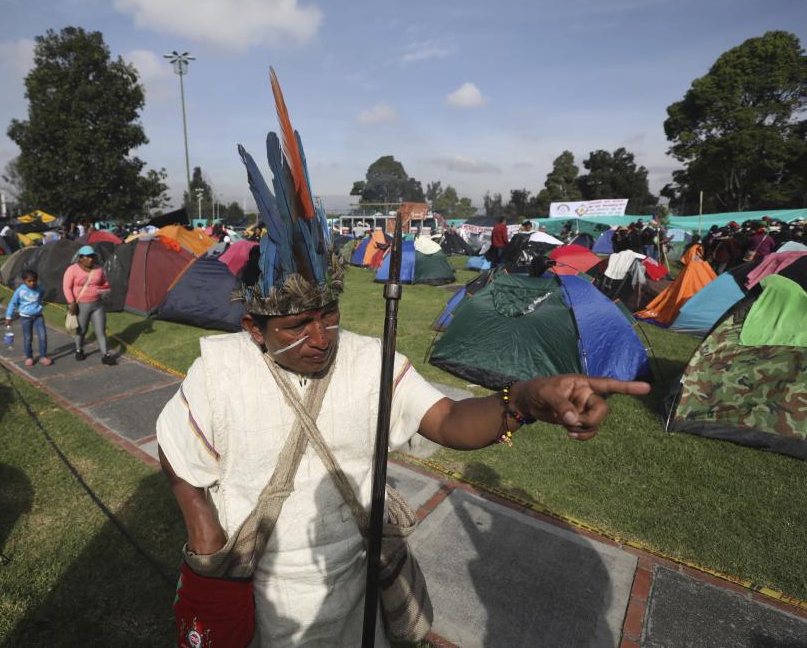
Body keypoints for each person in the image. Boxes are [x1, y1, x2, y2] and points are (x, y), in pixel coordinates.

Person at [156, 75, 651, 647]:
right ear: (254, 329)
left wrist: (526, 400)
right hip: (259, 594)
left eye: (329, 315)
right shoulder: (220, 371)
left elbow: (446, 421)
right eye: (296, 325)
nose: (321, 338)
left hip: (359, 590)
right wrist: (205, 531)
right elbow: (176, 448)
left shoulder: (370, 361)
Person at [63, 245, 115, 365]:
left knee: (101, 330)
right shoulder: (72, 269)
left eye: (92, 256)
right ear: (81, 258)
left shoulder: (99, 269)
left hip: (98, 305)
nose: (90, 259)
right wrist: (71, 302)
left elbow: (105, 284)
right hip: (81, 305)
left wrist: (102, 292)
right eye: (87, 257)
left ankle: (105, 355)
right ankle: (79, 349)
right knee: (82, 330)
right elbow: (66, 287)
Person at [5, 270, 52, 367]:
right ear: (24, 281)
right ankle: (29, 357)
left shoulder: (39, 289)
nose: (32, 283)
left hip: (38, 317)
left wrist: (37, 307)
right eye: (29, 281)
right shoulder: (20, 291)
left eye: (34, 281)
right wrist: (8, 317)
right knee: (28, 338)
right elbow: (13, 303)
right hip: (25, 318)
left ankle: (43, 357)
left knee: (43, 336)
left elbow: (41, 295)